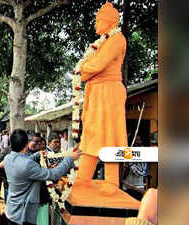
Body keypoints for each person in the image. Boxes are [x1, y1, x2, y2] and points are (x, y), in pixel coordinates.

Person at [74, 2, 128, 195]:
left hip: (108, 93)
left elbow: (96, 65)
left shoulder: (116, 39)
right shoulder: (103, 41)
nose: (96, 24)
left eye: (98, 20)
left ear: (109, 22)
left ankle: (112, 182)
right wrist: (84, 70)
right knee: (92, 135)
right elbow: (91, 65)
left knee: (109, 135)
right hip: (97, 92)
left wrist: (81, 69)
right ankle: (83, 177)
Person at [3, 129, 81, 225]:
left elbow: (22, 162)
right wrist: (69, 159)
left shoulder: (8, 159)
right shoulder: (28, 165)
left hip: (11, 210)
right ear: (26, 144)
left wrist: (37, 154)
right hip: (22, 215)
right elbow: (53, 174)